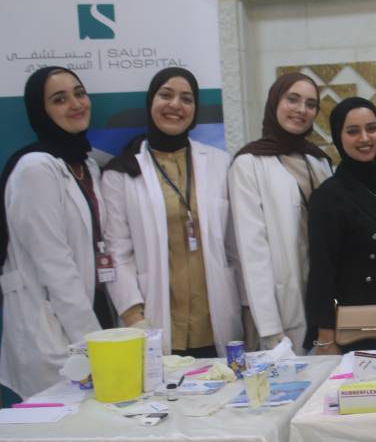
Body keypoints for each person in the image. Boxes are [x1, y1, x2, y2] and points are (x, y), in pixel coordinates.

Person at [101, 68, 242, 358]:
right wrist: (134, 317)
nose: (175, 105)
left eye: (186, 99)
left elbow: (234, 246)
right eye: (166, 95)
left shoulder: (219, 163)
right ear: (150, 102)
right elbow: (117, 252)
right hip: (153, 321)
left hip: (215, 320)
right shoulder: (121, 172)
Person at [0, 66, 114, 400]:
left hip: (90, 311)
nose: (76, 104)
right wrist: (95, 342)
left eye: (79, 93)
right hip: (49, 325)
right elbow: (54, 264)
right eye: (59, 99)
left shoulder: (83, 164)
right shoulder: (35, 168)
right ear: (41, 111)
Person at [230, 73, 333, 353]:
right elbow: (252, 250)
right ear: (275, 102)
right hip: (277, 304)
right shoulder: (248, 163)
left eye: (310, 104)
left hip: (319, 297)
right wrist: (269, 327)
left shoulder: (319, 161)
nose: (301, 110)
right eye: (293, 99)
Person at [306, 97, 376, 355]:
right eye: (352, 131)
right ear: (338, 137)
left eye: (371, 128)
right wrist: (326, 338)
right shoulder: (328, 196)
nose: (365, 138)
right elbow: (322, 272)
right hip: (351, 330)